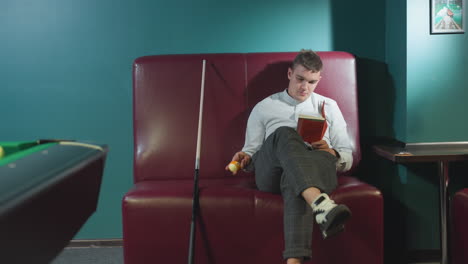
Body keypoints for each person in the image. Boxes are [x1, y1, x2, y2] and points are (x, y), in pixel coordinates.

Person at [225, 49, 353, 264]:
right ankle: (320, 203)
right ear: (289, 74)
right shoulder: (265, 107)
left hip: (316, 166)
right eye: (300, 79)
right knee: (284, 133)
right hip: (272, 174)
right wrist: (244, 158)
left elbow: (347, 156)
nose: (305, 87)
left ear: (319, 79)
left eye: (312, 82)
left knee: (295, 180)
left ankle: (294, 259)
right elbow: (251, 151)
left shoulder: (329, 107)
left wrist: (331, 152)